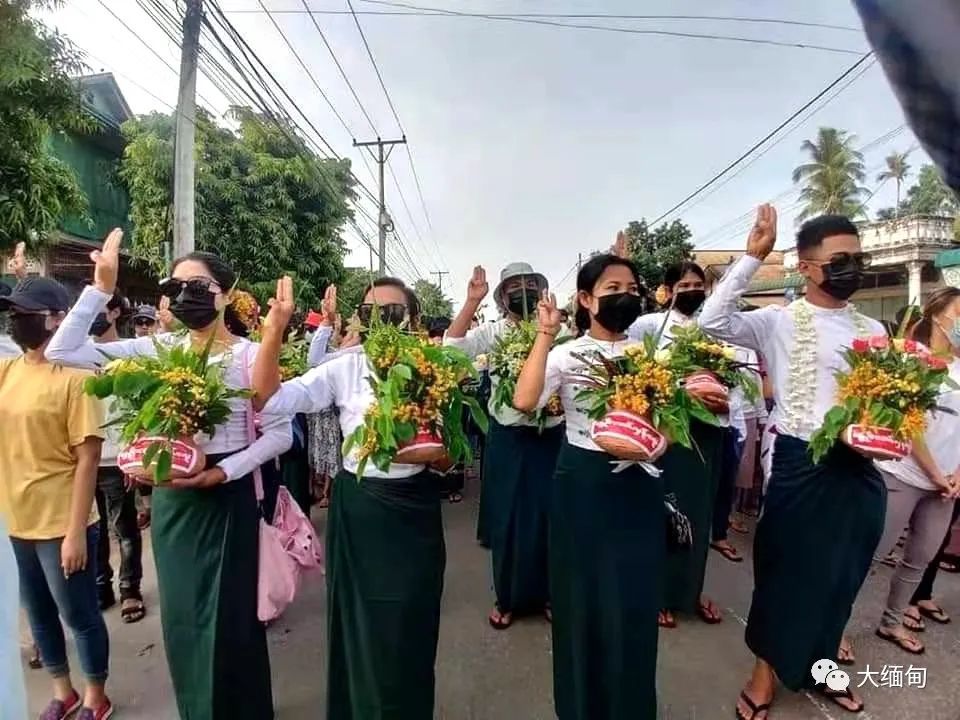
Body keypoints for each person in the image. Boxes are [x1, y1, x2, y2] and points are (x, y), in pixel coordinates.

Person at [46, 230, 292, 720]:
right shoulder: (158, 352)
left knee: (231, 625)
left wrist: (224, 471)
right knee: (183, 625)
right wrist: (100, 288)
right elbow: (61, 352)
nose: (185, 297)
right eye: (176, 287)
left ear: (227, 294)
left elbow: (280, 433)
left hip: (228, 500)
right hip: (174, 505)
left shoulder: (247, 355)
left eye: (198, 287)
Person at [698, 208, 886, 717]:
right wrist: (752, 258)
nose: (851, 267)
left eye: (857, 257)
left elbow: (880, 403)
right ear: (806, 266)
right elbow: (711, 321)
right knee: (784, 573)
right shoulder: (777, 321)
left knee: (841, 575)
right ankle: (764, 673)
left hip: (860, 468)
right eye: (839, 259)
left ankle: (822, 667)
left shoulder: (874, 329)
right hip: (800, 463)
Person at [252, 275, 445, 720]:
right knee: (362, 622)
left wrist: (437, 456)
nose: (383, 320)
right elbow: (268, 400)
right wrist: (274, 330)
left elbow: (449, 455)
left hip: (416, 509)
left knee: (412, 620)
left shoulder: (432, 367)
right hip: (362, 508)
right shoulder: (344, 366)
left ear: (412, 319)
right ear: (360, 318)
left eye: (393, 311)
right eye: (371, 311)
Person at [513, 254, 663, 720]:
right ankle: (582, 707)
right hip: (582, 482)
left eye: (632, 289)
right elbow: (524, 400)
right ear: (585, 299)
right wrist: (544, 335)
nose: (626, 296)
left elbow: (669, 419)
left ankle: (631, 706)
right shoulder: (566, 353)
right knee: (581, 599)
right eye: (613, 288)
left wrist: (656, 446)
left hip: (638, 484)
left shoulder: (647, 354)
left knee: (634, 599)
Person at [0, 276, 114, 720]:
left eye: (26, 314)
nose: (17, 321)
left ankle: (95, 696)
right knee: (40, 614)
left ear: (57, 320)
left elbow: (88, 459)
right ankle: (62, 690)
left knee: (79, 615)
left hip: (62, 519)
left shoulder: (76, 377)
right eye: (13, 313)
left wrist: (75, 534)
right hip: (17, 518)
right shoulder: (8, 371)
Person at [445, 263, 564, 629]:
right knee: (510, 520)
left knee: (550, 517)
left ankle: (549, 595)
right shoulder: (493, 332)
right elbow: (452, 348)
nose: (523, 291)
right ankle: (509, 598)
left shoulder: (561, 331)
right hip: (509, 437)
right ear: (502, 295)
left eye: (531, 284)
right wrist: (470, 302)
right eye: (515, 286)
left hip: (552, 436)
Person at [628, 261, 728, 626]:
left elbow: (727, 379)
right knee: (667, 512)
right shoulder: (649, 326)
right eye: (683, 284)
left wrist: (721, 398)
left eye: (697, 284)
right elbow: (632, 373)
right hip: (668, 429)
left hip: (708, 431)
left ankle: (691, 591)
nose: (691, 290)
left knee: (699, 514)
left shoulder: (713, 329)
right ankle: (658, 594)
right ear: (667, 291)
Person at [861, 287, 960, 656]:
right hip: (902, 475)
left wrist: (955, 477)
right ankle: (834, 627)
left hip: (946, 486)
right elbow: (909, 425)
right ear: (938, 316)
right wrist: (936, 474)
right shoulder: (911, 362)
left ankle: (892, 621)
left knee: (918, 559)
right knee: (871, 554)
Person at [89, 293, 146, 623]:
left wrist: (134, 457)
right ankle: (101, 586)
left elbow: (138, 412)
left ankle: (130, 590)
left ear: (114, 312)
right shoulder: (74, 355)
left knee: (124, 528)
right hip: (84, 458)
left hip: (117, 460)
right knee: (92, 530)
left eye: (99, 308)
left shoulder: (130, 358)